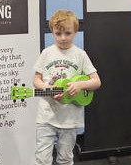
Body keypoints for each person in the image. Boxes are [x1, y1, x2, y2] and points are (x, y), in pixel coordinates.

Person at [33, 9, 101, 165]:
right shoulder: (46, 53)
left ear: (75, 32)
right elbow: (36, 79)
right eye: (58, 34)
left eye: (68, 33)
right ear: (52, 32)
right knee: (42, 159)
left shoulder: (80, 55)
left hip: (70, 119)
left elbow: (96, 81)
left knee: (65, 158)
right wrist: (46, 89)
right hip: (46, 117)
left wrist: (79, 85)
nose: (63, 38)